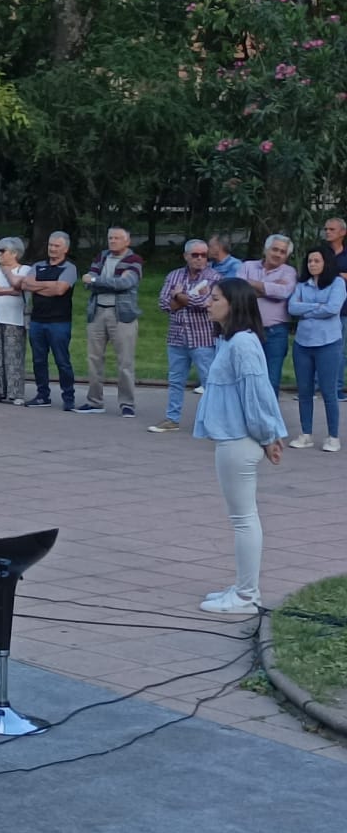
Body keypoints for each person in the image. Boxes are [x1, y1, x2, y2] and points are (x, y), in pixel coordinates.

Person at [194, 280, 286, 613]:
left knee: (244, 519)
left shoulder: (243, 344)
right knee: (242, 518)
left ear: (234, 305)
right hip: (233, 439)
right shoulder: (231, 342)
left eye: (215, 299)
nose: (208, 303)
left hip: (240, 441)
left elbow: (258, 395)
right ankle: (243, 588)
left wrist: (268, 436)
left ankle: (247, 596)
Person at [149, 240, 219, 434]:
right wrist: (187, 299)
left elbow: (206, 303)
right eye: (195, 255)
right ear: (186, 256)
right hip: (177, 337)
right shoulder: (174, 275)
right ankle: (172, 419)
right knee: (175, 380)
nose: (199, 259)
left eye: (203, 255)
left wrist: (179, 296)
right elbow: (164, 304)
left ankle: (214, 421)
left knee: (209, 381)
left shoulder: (214, 277)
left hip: (203, 338)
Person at [75, 226, 144, 417]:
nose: (112, 241)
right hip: (97, 312)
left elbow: (125, 283)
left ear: (127, 241)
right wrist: (99, 280)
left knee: (125, 362)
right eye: (110, 238)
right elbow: (87, 280)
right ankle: (94, 401)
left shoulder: (134, 260)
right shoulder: (101, 257)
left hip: (122, 315)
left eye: (117, 238)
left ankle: (127, 404)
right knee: (93, 359)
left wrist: (96, 281)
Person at [287, 247, 344, 451]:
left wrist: (307, 309)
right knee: (304, 391)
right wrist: (318, 307)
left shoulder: (337, 283)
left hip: (328, 343)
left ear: (326, 262)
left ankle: (333, 437)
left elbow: (333, 308)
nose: (312, 264)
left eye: (316, 261)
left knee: (329, 391)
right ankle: (305, 434)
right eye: (310, 261)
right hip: (303, 344)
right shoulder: (302, 284)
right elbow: (292, 307)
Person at [22, 233, 76, 411]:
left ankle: (68, 396)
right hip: (37, 320)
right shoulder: (38, 266)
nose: (52, 249)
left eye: (57, 246)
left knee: (62, 360)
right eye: (51, 245)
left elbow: (60, 290)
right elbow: (26, 284)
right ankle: (42, 395)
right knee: (38, 360)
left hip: (59, 322)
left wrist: (40, 286)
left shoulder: (69, 268)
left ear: (65, 249)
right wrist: (49, 285)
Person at [238, 234, 297, 393]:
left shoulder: (289, 272)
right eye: (275, 249)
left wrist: (252, 284)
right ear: (266, 249)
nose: (277, 254)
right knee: (246, 378)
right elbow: (238, 292)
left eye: (282, 252)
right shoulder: (247, 266)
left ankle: (269, 418)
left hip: (275, 333)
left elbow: (283, 293)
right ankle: (248, 417)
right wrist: (270, 288)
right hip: (247, 331)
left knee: (271, 381)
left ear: (287, 256)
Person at [0, 237, 31, 404]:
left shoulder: (25, 270)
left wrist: (8, 272)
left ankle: (16, 393)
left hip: (14, 317)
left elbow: (19, 287)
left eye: (3, 251)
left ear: (15, 253)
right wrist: (10, 290)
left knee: (13, 355)